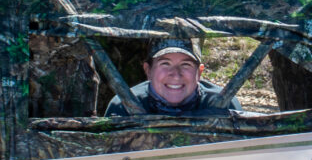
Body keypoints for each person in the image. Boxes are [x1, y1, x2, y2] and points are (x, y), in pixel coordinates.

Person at [103, 39, 241, 117]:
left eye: (185, 65)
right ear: (148, 70)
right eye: (165, 64)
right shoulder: (123, 106)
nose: (175, 74)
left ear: (199, 72)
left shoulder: (226, 104)